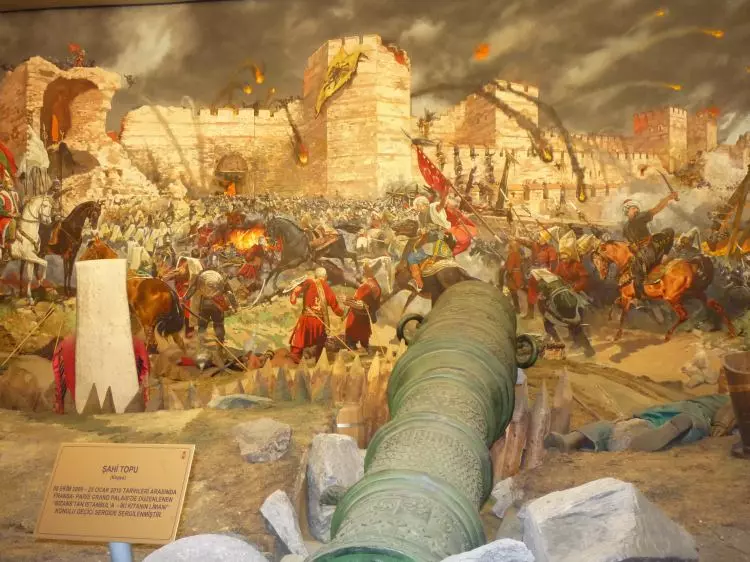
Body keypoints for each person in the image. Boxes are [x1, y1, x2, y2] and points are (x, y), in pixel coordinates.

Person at [545, 394, 735, 453]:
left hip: (661, 413)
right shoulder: (729, 398)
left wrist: (721, 426)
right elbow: (729, 411)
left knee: (608, 428)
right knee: (693, 424)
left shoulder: (729, 398)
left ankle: (572, 439)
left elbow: (729, 411)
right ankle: (641, 440)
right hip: (690, 413)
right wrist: (720, 427)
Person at [622, 193, 678, 307]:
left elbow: (657, 209)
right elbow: (628, 243)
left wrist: (668, 198)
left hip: (649, 248)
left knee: (669, 231)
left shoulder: (639, 217)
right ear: (627, 211)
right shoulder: (625, 227)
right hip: (639, 251)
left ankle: (639, 299)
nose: (636, 210)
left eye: (637, 208)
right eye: (633, 208)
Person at [530, 268, 595, 357]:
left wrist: (544, 313)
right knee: (576, 328)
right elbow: (568, 287)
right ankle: (589, 349)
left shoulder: (542, 283)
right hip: (572, 304)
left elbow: (542, 299)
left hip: (559, 307)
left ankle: (559, 349)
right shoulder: (557, 278)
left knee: (549, 326)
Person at [288, 267, 344, 363]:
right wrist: (341, 313)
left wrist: (293, 297)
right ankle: (320, 359)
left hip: (306, 318)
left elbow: (297, 289)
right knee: (320, 341)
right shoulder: (328, 289)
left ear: (315, 275)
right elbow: (335, 307)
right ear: (325, 276)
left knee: (300, 336)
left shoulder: (310, 282)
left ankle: (296, 355)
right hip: (320, 321)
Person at [182, 257, 238, 346]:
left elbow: (193, 288)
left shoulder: (202, 275)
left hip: (204, 304)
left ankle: (201, 342)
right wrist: (235, 306)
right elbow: (229, 293)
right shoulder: (221, 276)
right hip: (217, 305)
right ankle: (220, 341)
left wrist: (185, 298)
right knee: (218, 324)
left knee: (202, 324)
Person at [406, 194, 453, 290]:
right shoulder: (420, 215)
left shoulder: (433, 209)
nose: (418, 208)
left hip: (438, 240)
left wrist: (446, 192)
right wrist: (420, 231)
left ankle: (419, 284)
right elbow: (421, 229)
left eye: (419, 206)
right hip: (429, 240)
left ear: (425, 204)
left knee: (411, 258)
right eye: (417, 206)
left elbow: (442, 204)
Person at [518, 229, 558, 319]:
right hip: (534, 273)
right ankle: (530, 314)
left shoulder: (551, 250)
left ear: (545, 239)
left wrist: (546, 273)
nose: (539, 238)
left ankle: (547, 316)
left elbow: (553, 265)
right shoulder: (535, 245)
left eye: (541, 237)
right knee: (531, 293)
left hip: (545, 275)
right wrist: (516, 238)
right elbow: (526, 242)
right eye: (539, 236)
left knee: (544, 296)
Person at [344, 262, 382, 350]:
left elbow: (360, 302)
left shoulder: (367, 286)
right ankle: (364, 345)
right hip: (365, 313)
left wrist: (347, 300)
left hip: (357, 314)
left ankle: (353, 347)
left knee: (353, 335)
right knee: (363, 334)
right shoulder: (375, 284)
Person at [171, 249, 203, 338]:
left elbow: (178, 274)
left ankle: (182, 329)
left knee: (184, 310)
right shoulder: (199, 264)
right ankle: (188, 331)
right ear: (199, 256)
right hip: (191, 292)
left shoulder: (185, 262)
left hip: (184, 290)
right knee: (190, 311)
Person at [0, 166, 19, 262]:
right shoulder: (1, 195)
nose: (11, 185)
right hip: (5, 218)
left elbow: (18, 207)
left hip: (16, 216)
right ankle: (6, 250)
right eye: (9, 183)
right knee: (10, 224)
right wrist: (9, 214)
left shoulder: (15, 194)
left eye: (11, 183)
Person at [504, 239, 524, 314]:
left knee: (513, 292)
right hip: (517, 274)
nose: (508, 250)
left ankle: (517, 308)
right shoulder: (517, 254)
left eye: (509, 248)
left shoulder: (512, 255)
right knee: (514, 292)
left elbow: (509, 268)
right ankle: (517, 307)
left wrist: (507, 270)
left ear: (511, 248)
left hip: (513, 275)